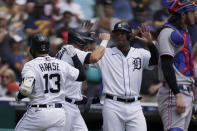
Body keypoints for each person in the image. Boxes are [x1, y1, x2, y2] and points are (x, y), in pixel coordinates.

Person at [94, 21, 158, 131]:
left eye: (122, 33)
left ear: (129, 35)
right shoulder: (105, 53)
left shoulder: (140, 53)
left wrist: (150, 44)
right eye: (117, 33)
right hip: (113, 105)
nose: (119, 36)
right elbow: (90, 58)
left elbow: (154, 62)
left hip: (135, 105)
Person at [14, 33, 86, 131]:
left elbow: (26, 88)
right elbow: (81, 76)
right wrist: (74, 56)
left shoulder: (30, 65)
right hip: (58, 114)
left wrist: (19, 96)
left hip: (37, 113)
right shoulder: (61, 64)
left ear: (32, 49)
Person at [56, 28, 110, 131]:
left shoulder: (65, 50)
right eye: (86, 41)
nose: (87, 44)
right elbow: (94, 57)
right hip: (65, 106)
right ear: (78, 40)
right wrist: (104, 41)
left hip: (70, 103)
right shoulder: (72, 51)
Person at [157, 0, 197, 131]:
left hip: (186, 91)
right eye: (191, 12)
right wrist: (177, 94)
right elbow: (167, 66)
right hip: (174, 92)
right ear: (183, 14)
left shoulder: (184, 33)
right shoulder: (168, 32)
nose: (195, 15)